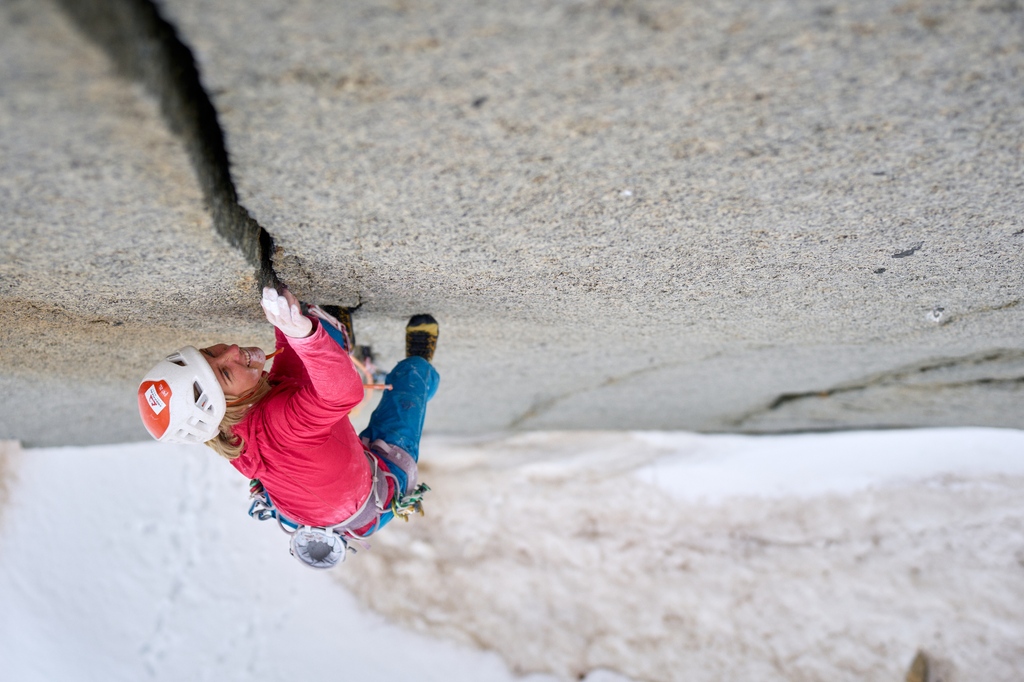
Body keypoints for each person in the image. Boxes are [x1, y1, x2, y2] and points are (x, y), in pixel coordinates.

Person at [137, 286, 440, 568]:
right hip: (371, 496)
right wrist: (305, 337)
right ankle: (418, 361)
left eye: (210, 353)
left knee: (299, 353)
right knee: (407, 397)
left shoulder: (226, 431)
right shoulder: (283, 423)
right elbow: (343, 393)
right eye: (226, 372)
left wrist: (295, 328)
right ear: (230, 405)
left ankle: (329, 330)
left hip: (304, 506)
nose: (229, 350)